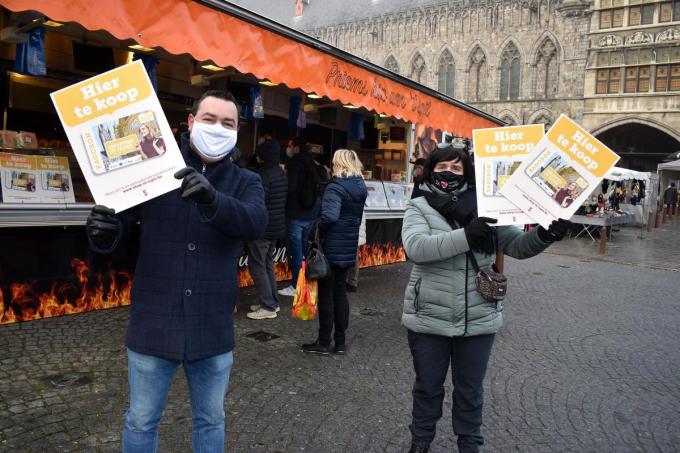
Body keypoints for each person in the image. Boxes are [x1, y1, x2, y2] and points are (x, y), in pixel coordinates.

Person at [85, 90, 267, 453]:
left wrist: (213, 200)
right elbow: (125, 229)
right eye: (210, 119)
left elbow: (256, 222)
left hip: (211, 326)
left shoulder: (247, 181)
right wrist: (104, 233)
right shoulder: (151, 169)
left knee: (211, 420)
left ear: (237, 130)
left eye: (228, 123)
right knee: (140, 420)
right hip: (153, 322)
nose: (218, 128)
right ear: (191, 122)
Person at [401, 145, 570, 453]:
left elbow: (518, 246)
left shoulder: (491, 206)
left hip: (478, 316)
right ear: (431, 170)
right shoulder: (419, 205)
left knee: (470, 391)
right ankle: (420, 442)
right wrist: (467, 235)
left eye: (456, 168)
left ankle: (470, 445)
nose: (448, 173)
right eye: (442, 167)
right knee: (427, 387)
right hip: (429, 315)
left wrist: (546, 235)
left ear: (468, 173)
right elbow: (416, 249)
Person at [302, 149, 367, 355]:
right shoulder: (359, 186)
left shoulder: (335, 187)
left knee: (326, 295)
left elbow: (329, 217)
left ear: (338, 164)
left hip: (331, 248)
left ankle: (323, 341)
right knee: (340, 294)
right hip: (348, 247)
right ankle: (340, 342)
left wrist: (314, 230)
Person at [278, 136, 326, 297]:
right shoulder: (315, 164)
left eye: (290, 146)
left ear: (296, 148)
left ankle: (296, 286)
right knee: (305, 250)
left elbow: (290, 188)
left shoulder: (294, 165)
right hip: (311, 215)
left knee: (297, 252)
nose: (289, 148)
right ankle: (307, 281)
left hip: (295, 214)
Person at [246, 137, 288, 319]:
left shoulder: (263, 175)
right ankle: (273, 302)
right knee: (268, 264)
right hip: (276, 226)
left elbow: (258, 202)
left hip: (262, 228)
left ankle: (268, 306)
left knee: (257, 265)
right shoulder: (281, 173)